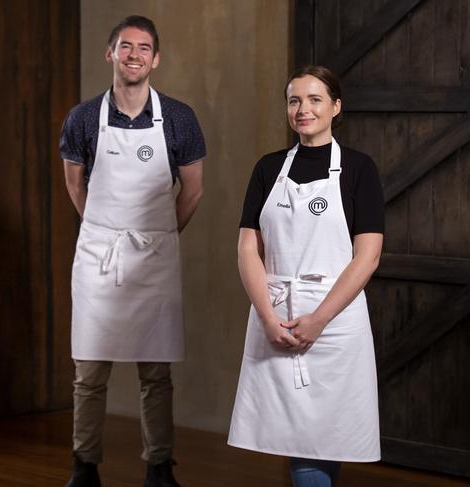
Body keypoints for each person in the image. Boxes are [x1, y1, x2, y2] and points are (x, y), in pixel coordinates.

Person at [60, 15, 205, 487]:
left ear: (156, 59)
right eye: (126, 47)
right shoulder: (83, 118)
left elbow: (194, 191)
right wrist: (106, 231)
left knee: (156, 373)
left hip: (154, 255)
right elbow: (75, 185)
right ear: (111, 54)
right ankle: (85, 466)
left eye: (144, 48)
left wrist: (159, 234)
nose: (134, 55)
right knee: (89, 373)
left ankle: (159, 467)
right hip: (100, 253)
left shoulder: (179, 118)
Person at [228, 65, 384, 486]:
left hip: (336, 324)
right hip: (277, 315)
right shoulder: (267, 169)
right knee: (300, 439)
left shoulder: (358, 169)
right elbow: (248, 248)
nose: (303, 109)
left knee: (325, 435)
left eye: (315, 99)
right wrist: (266, 315)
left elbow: (367, 257)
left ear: (335, 107)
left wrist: (319, 319)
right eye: (294, 100)